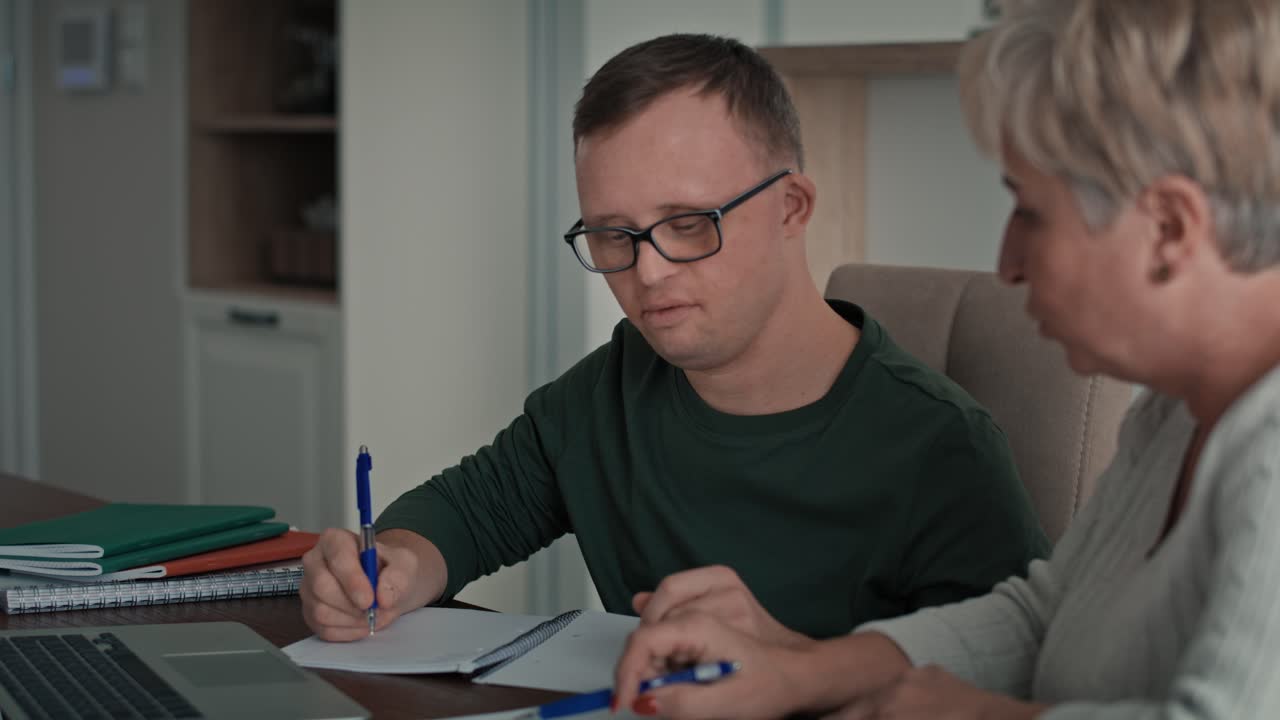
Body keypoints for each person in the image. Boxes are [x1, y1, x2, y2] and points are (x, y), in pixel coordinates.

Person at [611, 1, 1280, 718]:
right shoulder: (1174, 412)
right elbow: (1038, 615)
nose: (1007, 262)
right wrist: (796, 671)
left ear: (1171, 228)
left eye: (1031, 212)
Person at [300, 33, 1049, 644]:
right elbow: (465, 515)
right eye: (612, 235)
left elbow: (1004, 686)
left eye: (690, 224)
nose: (648, 272)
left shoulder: (944, 451)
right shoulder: (610, 390)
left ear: (791, 207)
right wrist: (388, 568)